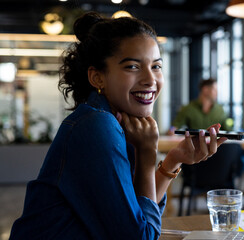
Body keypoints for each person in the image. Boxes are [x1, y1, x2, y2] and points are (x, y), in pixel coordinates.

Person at [9, 12, 227, 240]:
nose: (150, 79)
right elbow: (139, 236)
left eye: (156, 66)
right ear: (97, 78)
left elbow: (137, 212)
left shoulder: (116, 120)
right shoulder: (97, 125)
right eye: (133, 67)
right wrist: (147, 154)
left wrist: (174, 159)